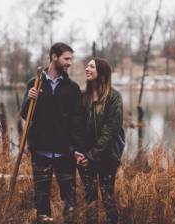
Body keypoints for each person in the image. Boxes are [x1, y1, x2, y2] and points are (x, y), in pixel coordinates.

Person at [21, 42, 84, 224]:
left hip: (65, 153)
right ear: (54, 57)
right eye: (66, 58)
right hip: (40, 152)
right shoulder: (35, 83)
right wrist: (30, 99)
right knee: (41, 199)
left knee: (69, 201)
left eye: (71, 59)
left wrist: (76, 148)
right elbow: (25, 114)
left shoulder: (72, 88)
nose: (69, 62)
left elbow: (77, 123)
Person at [75, 58, 123, 224]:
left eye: (92, 66)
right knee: (90, 201)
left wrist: (91, 155)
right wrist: (79, 153)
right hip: (84, 159)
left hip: (107, 158)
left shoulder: (113, 98)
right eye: (87, 66)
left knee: (108, 198)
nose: (87, 69)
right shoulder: (82, 97)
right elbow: (77, 127)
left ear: (101, 72)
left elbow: (111, 130)